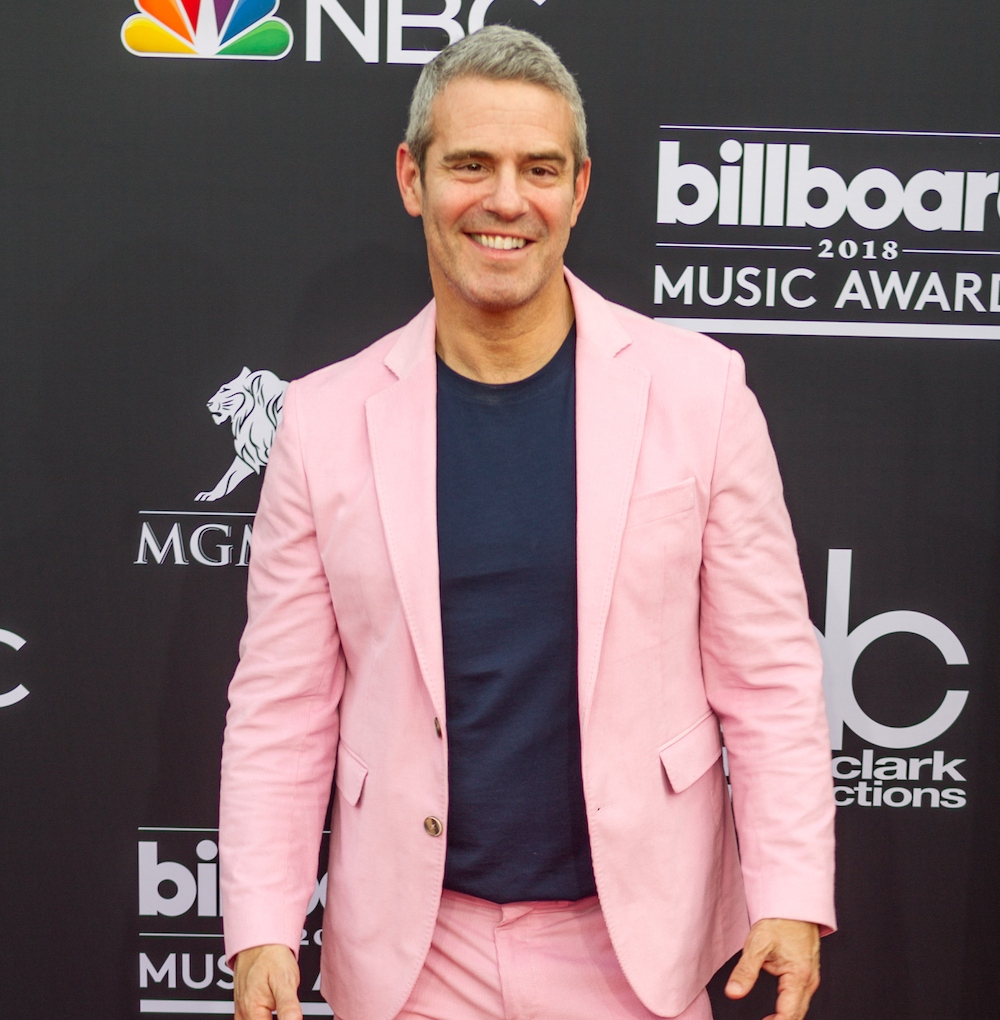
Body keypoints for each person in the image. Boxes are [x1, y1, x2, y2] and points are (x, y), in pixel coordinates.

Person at [219, 26, 835, 1020]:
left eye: (537, 168)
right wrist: (258, 928)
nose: (506, 200)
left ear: (579, 188)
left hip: (634, 944)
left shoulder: (700, 393)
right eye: (471, 164)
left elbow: (769, 677)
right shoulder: (323, 422)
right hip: (412, 957)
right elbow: (283, 707)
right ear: (412, 177)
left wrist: (792, 893)